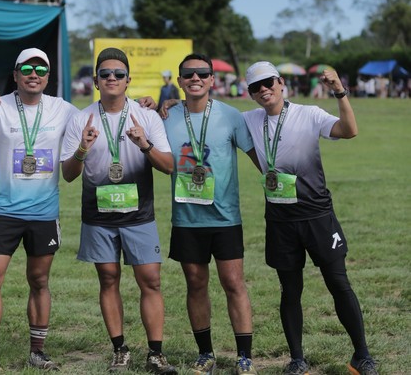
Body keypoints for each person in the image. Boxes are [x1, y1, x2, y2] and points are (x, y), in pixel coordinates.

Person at [242, 61, 378, 375]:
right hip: (280, 220)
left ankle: (362, 356)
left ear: (280, 82)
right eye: (255, 87)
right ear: (250, 93)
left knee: (339, 284)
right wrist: (167, 105)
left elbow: (349, 131)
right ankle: (297, 360)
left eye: (268, 82)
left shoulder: (309, 113)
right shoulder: (247, 120)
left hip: (317, 216)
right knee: (290, 291)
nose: (263, 90)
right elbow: (208, 112)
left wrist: (340, 91)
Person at [0, 48, 79, 373]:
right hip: (5, 211)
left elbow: (99, 115)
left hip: (44, 213)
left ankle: (38, 352)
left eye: (41, 69)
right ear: (15, 75)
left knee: (39, 280)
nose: (33, 74)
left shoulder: (63, 109)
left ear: (48, 76)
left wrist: (146, 107)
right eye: (26, 69)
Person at [61, 47, 178, 374]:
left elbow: (169, 167)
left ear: (128, 80)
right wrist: (82, 148)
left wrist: (145, 145)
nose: (111, 78)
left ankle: (155, 354)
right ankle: (119, 350)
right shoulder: (80, 119)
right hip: (98, 216)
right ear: (96, 81)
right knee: (108, 279)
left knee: (151, 280)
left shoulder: (147, 116)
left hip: (139, 215)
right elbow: (68, 174)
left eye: (118, 74)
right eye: (105, 74)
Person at [161, 53, 259, 375]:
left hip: (225, 218)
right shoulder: (166, 116)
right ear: (179, 81)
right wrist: (151, 102)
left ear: (212, 80)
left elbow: (258, 158)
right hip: (186, 218)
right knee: (195, 283)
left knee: (234, 283)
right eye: (189, 74)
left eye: (202, 73)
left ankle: (244, 357)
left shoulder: (231, 116)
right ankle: (206, 354)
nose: (196, 78)